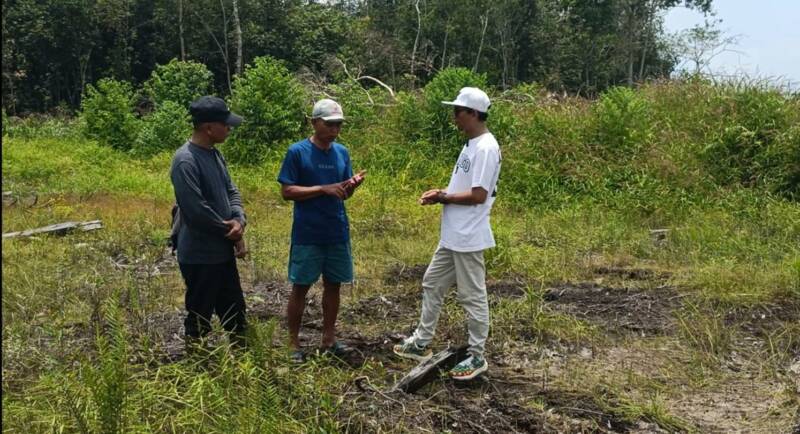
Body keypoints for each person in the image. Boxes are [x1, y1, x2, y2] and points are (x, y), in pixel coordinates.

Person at [393, 87, 501, 381]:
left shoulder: (486, 148)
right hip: (453, 234)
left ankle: (477, 356)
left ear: (474, 114)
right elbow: (465, 187)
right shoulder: (471, 144)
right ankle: (422, 342)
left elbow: (479, 195)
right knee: (432, 283)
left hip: (468, 236)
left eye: (458, 112)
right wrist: (441, 194)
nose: (454, 118)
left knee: (472, 295)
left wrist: (444, 196)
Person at [277, 98, 366, 363]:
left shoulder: (342, 152)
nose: (334, 131)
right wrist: (322, 189)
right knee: (301, 286)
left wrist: (350, 186)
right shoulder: (298, 152)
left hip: (336, 229)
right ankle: (293, 342)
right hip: (308, 232)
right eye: (329, 125)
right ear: (314, 122)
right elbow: (287, 191)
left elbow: (342, 194)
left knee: (334, 285)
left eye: (338, 125)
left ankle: (329, 339)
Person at [170, 95, 249, 354]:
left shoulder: (215, 155)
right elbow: (195, 212)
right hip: (199, 255)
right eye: (225, 124)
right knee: (200, 314)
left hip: (222, 251)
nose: (229, 128)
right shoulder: (185, 161)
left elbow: (231, 191)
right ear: (208, 128)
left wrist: (239, 220)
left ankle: (244, 362)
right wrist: (233, 233)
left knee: (235, 311)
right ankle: (198, 363)